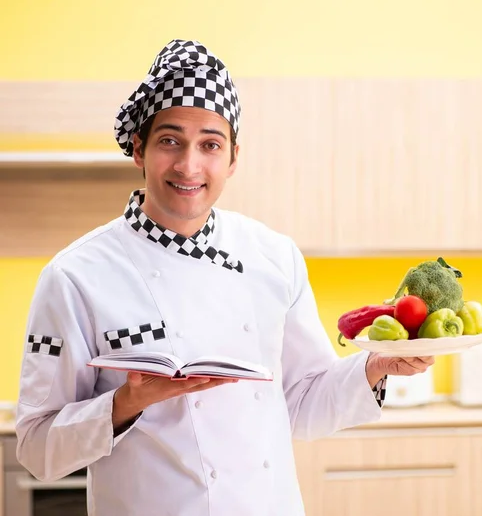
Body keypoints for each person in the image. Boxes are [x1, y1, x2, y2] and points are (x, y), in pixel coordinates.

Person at [15, 39, 434, 516]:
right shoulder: (75, 276)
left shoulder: (274, 257)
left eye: (210, 145)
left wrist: (375, 366)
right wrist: (126, 402)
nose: (189, 165)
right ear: (139, 150)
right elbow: (35, 447)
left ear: (233, 158)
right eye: (169, 140)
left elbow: (302, 403)